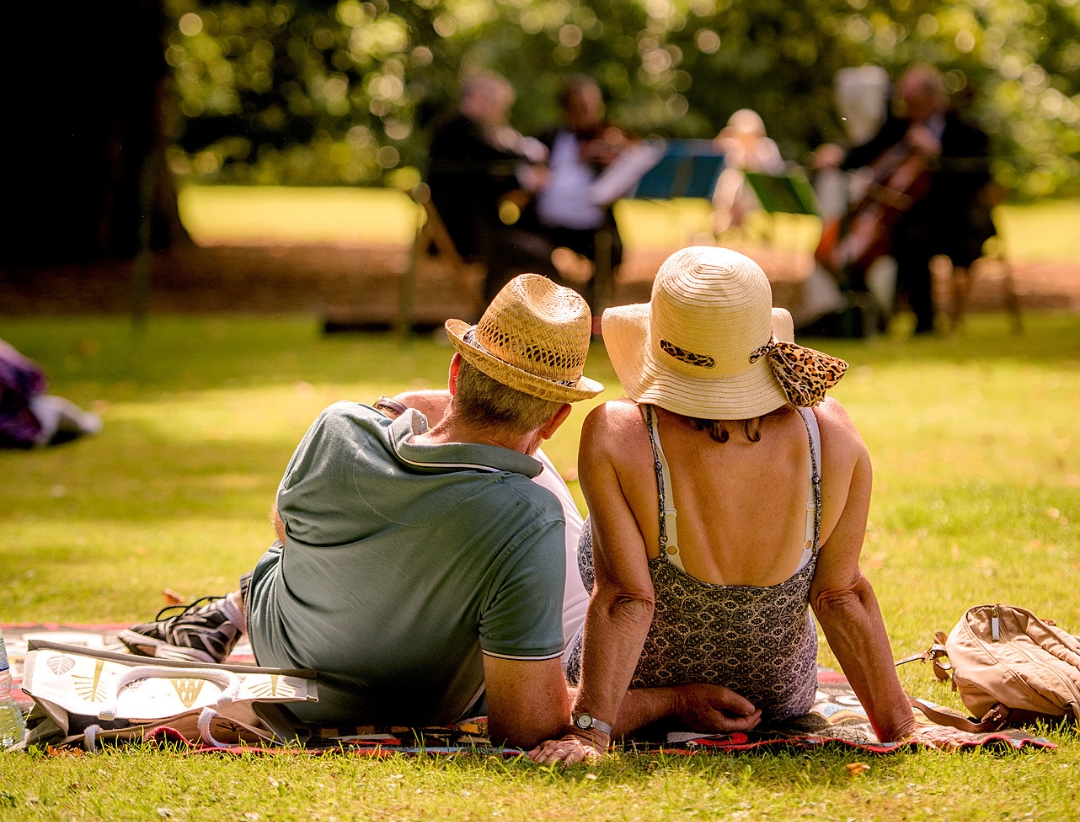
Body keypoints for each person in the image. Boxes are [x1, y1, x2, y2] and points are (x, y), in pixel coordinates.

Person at [120, 275, 745, 747]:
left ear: (455, 371)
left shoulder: (336, 426)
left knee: (290, 545)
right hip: (417, 698)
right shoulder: (530, 518)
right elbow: (529, 724)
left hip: (282, 658)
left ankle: (226, 612)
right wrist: (673, 700)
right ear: (558, 419)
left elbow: (286, 533)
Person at [531, 247, 977, 763]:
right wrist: (901, 727)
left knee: (540, 487)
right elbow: (841, 594)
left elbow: (626, 598)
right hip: (775, 697)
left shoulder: (619, 433)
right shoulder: (830, 433)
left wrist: (589, 732)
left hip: (632, 682)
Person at [815, 66, 996, 334]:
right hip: (905, 216)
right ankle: (871, 315)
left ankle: (924, 321)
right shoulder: (902, 126)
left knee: (912, 241)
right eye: (905, 102)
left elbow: (977, 178)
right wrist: (838, 155)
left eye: (914, 103)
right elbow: (867, 150)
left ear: (933, 97)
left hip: (957, 218)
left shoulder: (967, 131)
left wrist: (936, 156)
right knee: (868, 245)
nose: (908, 109)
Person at [427, 72, 555, 305]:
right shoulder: (458, 131)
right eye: (500, 106)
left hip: (477, 227)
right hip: (459, 231)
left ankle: (489, 317)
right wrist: (527, 159)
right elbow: (493, 160)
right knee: (537, 256)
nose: (502, 114)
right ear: (481, 97)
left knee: (530, 249)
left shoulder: (466, 130)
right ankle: (493, 319)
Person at [532, 75, 630, 305]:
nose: (588, 114)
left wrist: (610, 160)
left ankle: (586, 309)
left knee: (613, 251)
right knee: (531, 251)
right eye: (580, 108)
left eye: (593, 108)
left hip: (590, 226)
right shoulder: (550, 136)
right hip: (547, 224)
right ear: (566, 109)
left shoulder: (607, 138)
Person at [0, 339, 102, 448]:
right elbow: (34, 379)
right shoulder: (4, 358)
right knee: (57, 407)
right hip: (27, 426)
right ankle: (89, 424)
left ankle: (83, 425)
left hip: (14, 425)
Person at [711, 109, 784, 233]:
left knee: (736, 181)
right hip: (739, 193)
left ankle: (725, 221)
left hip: (760, 192)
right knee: (729, 178)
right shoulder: (735, 149)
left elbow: (772, 173)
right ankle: (723, 219)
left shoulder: (767, 148)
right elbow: (719, 152)